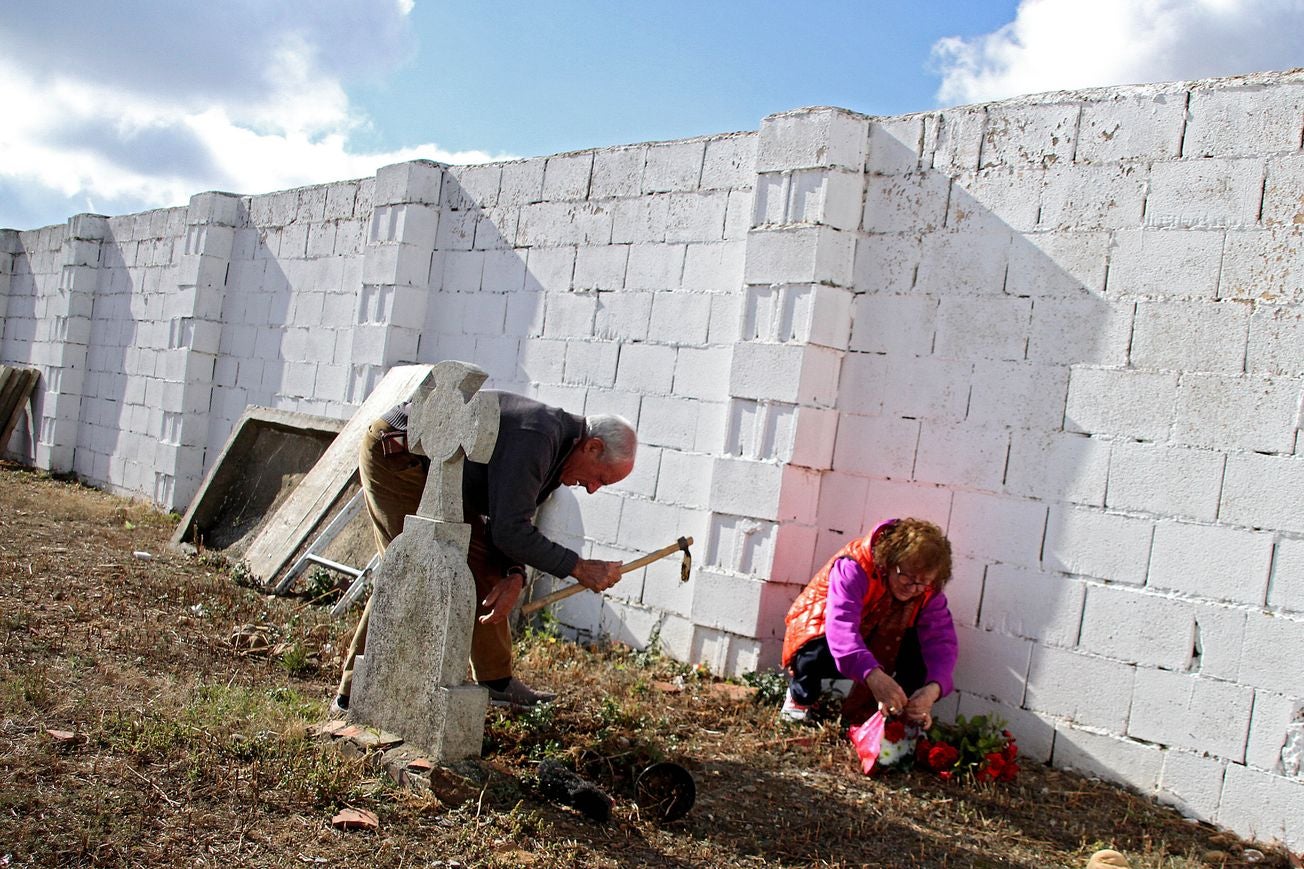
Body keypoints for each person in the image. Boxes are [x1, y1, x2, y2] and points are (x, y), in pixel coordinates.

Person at [331, 391, 637, 714]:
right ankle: (351, 693)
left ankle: (497, 682)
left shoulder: (557, 452)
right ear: (593, 447)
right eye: (600, 479)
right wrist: (578, 567)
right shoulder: (538, 438)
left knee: (491, 568)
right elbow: (508, 531)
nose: (592, 489)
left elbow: (511, 520)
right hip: (399, 454)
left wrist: (515, 574)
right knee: (411, 566)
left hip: (448, 477)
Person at [780, 517, 957, 727]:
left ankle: (897, 713)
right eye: (906, 577)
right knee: (814, 651)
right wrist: (873, 676)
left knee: (918, 659)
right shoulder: (855, 566)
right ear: (890, 561)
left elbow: (941, 644)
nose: (912, 588)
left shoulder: (928, 592)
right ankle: (801, 697)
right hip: (823, 628)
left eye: (922, 582)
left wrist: (933, 689)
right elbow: (841, 628)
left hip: (873, 637)